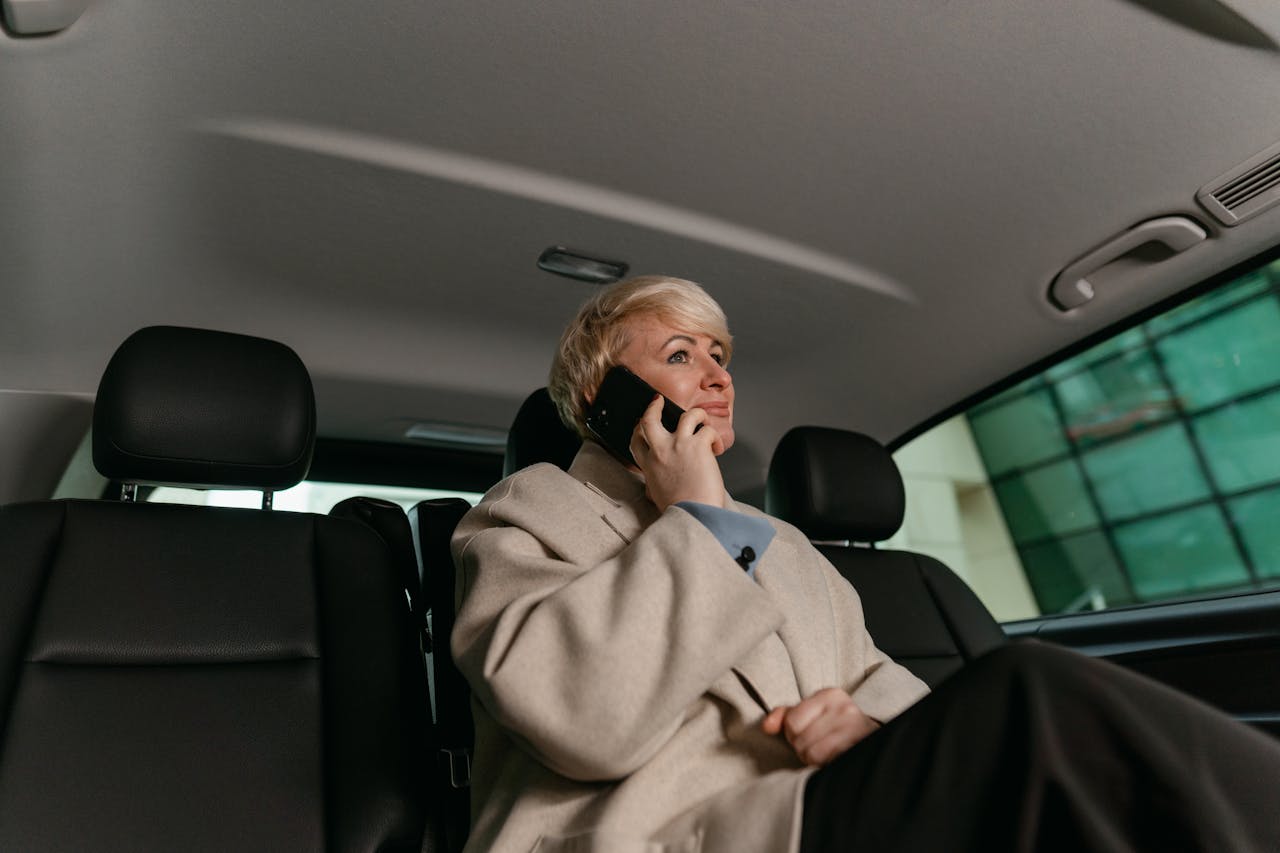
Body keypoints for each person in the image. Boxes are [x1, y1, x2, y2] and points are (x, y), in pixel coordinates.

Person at [450, 275, 1280, 853]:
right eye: (680, 356)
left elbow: (890, 692)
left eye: (719, 355)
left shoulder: (795, 552)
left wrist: (870, 730)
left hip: (829, 813)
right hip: (664, 837)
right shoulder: (525, 513)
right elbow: (582, 718)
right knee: (1029, 690)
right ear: (605, 396)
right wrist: (698, 515)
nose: (716, 376)